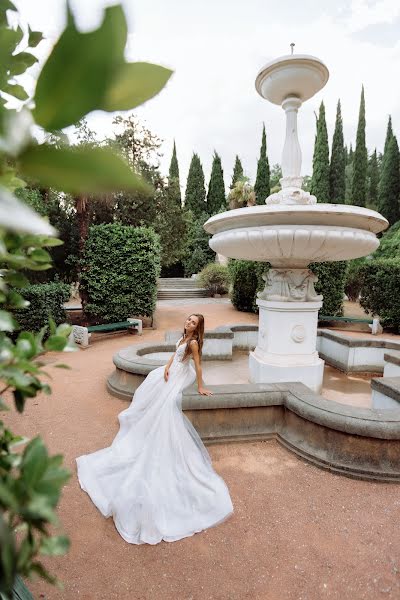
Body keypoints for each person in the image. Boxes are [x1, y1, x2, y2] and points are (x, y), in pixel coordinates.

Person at [76, 313, 233, 545]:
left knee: (167, 404)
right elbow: (174, 355)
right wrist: (167, 367)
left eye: (193, 323)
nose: (188, 323)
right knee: (153, 380)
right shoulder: (183, 337)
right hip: (175, 368)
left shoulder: (192, 343)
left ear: (198, 328)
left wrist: (200, 387)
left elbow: (198, 366)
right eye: (188, 320)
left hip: (184, 375)